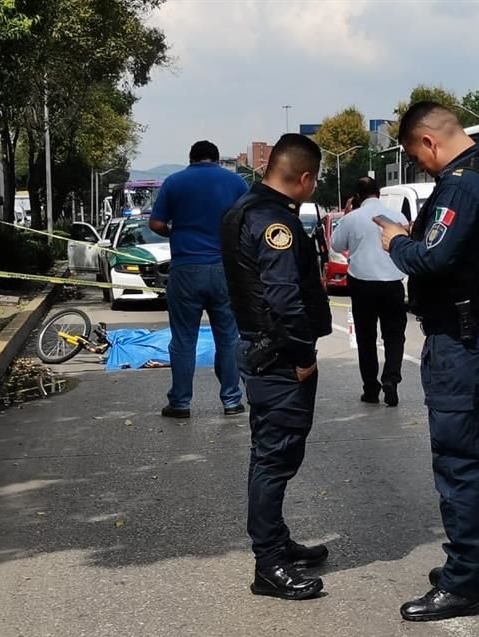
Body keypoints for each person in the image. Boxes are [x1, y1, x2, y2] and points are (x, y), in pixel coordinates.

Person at [374, 102, 479, 622]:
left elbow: (433, 257)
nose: (421, 167)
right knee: (476, 458)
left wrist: (396, 242)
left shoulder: (462, 184)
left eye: (417, 157)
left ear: (428, 143)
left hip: (461, 342)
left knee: (459, 462)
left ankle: (463, 582)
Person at [220, 134, 332, 601]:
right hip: (280, 357)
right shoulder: (273, 222)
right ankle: (269, 564)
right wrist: (304, 357)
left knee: (269, 452)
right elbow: (284, 298)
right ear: (304, 178)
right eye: (315, 180)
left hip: (260, 349)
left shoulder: (244, 208)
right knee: (275, 458)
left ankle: (276, 541)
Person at [149, 140, 248, 419]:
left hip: (185, 269)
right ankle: (231, 400)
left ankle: (180, 403)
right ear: (216, 159)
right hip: (224, 269)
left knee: (183, 339)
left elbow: (155, 223)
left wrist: (176, 233)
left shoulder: (174, 182)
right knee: (229, 337)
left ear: (191, 159)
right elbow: (249, 220)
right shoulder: (236, 183)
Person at [330, 176, 408, 406]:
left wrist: (345, 217)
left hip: (362, 283)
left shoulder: (352, 218)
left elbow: (336, 245)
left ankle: (371, 388)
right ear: (379, 194)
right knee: (394, 336)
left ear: (356, 198)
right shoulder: (397, 216)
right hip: (393, 282)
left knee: (365, 338)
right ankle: (391, 378)